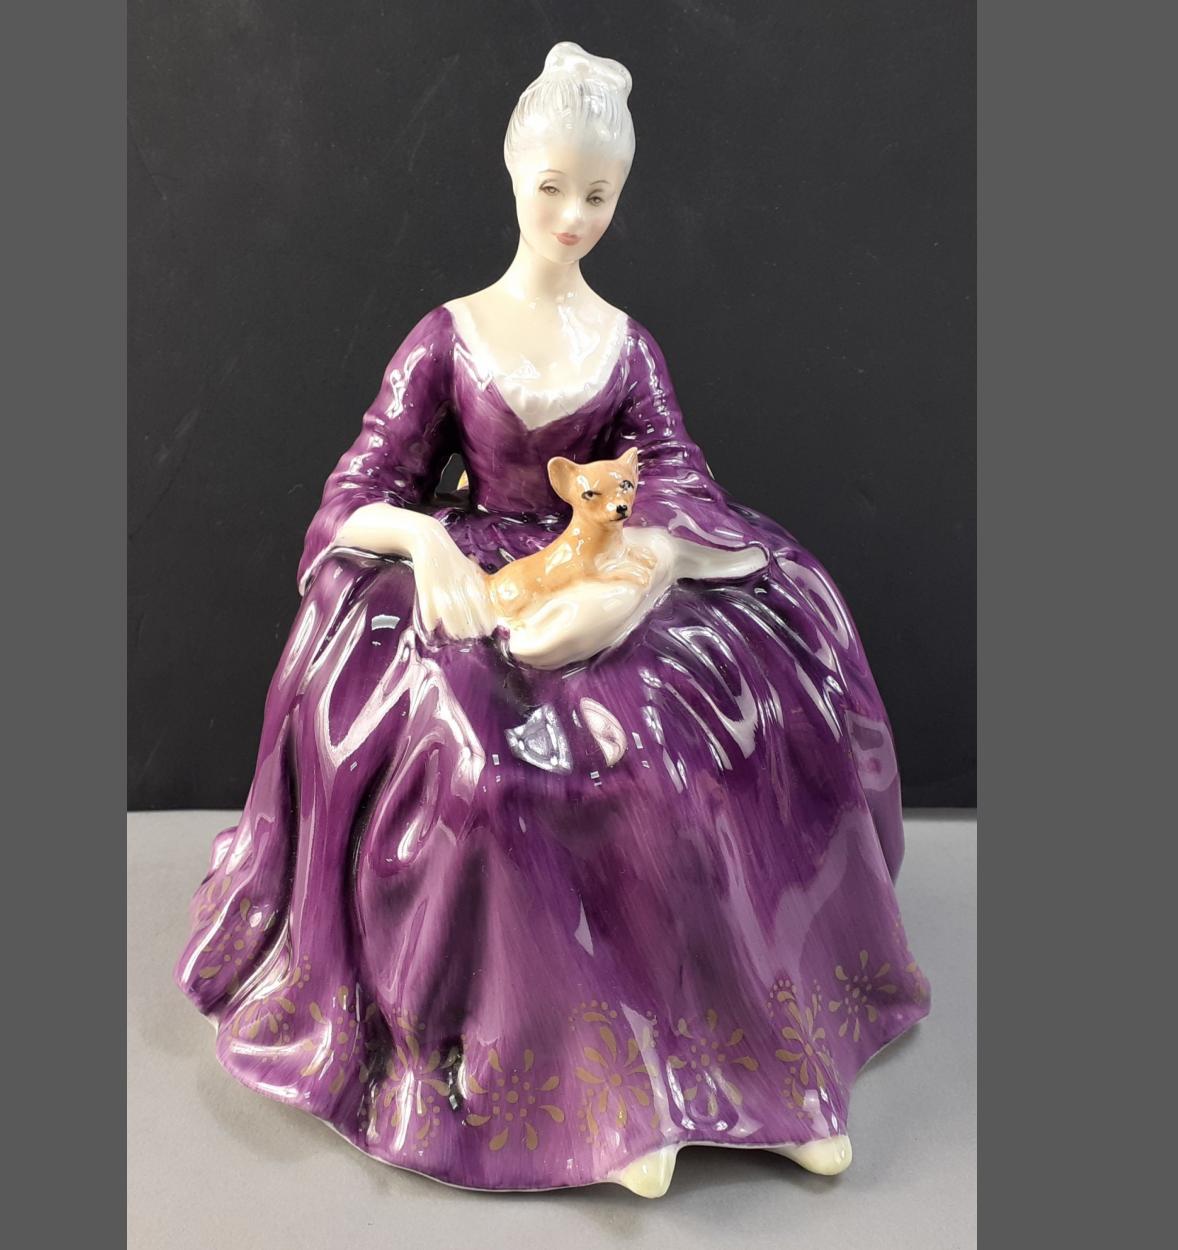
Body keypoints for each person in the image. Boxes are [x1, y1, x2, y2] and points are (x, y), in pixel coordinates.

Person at [176, 41, 930, 1197]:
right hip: (480, 572)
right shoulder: (448, 337)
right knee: (489, 774)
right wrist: (424, 539)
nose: (573, 217)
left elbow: (674, 470)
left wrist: (644, 566)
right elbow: (357, 489)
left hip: (602, 558)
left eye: (598, 195)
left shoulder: (624, 345)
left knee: (703, 755)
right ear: (512, 170)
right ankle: (598, 1091)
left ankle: (759, 1070)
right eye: (553, 187)